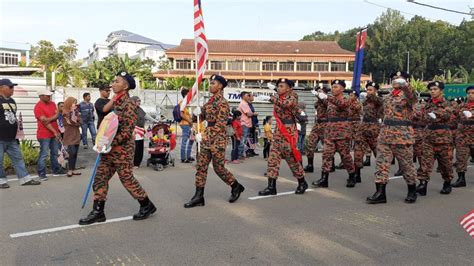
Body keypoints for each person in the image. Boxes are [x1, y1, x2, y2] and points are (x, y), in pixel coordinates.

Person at [79, 71, 156, 225]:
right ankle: (98, 212)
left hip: (122, 151)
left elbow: (127, 132)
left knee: (127, 180)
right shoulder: (117, 102)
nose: (113, 84)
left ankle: (146, 205)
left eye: (117, 81)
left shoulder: (129, 104)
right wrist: (104, 142)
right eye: (113, 81)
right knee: (100, 178)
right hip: (108, 150)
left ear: (126, 86)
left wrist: (108, 144)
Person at [184, 75, 245, 208]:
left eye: (213, 83)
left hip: (217, 140)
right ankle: (198, 196)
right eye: (210, 83)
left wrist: (204, 136)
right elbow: (197, 119)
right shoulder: (209, 102)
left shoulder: (222, 103)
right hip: (207, 138)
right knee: (201, 167)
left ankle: (236, 186)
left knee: (219, 168)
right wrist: (196, 113)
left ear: (220, 86)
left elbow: (220, 125)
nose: (210, 85)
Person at [366, 71, 417, 204]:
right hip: (385, 134)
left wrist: (406, 85)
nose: (396, 80)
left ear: (405, 81)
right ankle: (380, 193)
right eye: (394, 78)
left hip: (402, 135)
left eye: (399, 79)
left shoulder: (408, 95)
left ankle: (412, 190)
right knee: (381, 164)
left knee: (406, 165)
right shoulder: (388, 96)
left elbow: (412, 96)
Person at [258, 78, 308, 196]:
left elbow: (287, 104)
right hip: (279, 130)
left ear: (289, 88)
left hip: (288, 131)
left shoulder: (293, 96)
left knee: (291, 159)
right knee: (273, 159)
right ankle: (271, 187)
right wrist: (273, 97)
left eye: (282, 86)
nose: (279, 88)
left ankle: (302, 182)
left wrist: (271, 97)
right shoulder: (278, 97)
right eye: (278, 86)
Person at [312, 80, 356, 188]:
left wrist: (326, 97)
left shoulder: (346, 100)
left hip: (341, 132)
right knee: (327, 155)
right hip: (330, 131)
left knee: (345, 156)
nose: (333, 89)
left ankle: (352, 176)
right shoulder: (330, 101)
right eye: (332, 87)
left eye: (336, 87)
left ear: (342, 89)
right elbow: (323, 103)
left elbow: (342, 104)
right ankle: (324, 179)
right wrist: (318, 95)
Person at [0, 79, 41, 188]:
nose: (13, 89)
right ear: (1, 87)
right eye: (10, 87)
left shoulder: (12, 101)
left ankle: (25, 179)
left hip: (12, 138)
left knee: (18, 158)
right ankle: (1, 181)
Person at [416, 81, 454, 196]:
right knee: (425, 162)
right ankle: (423, 184)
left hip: (443, 139)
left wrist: (435, 114)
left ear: (441, 91)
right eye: (431, 89)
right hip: (429, 138)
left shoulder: (446, 103)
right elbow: (422, 118)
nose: (432, 91)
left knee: (445, 164)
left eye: (435, 89)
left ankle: (447, 182)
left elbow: (447, 115)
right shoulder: (427, 104)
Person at [353, 82, 383, 183]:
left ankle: (381, 175)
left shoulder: (378, 100)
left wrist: (371, 96)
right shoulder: (365, 101)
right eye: (367, 90)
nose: (368, 92)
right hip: (363, 127)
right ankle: (357, 174)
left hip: (374, 128)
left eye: (371, 90)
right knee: (358, 150)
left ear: (375, 91)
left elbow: (379, 101)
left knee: (378, 152)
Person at [34, 89, 66, 181]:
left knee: (54, 153)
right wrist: (54, 131)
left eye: (49, 95)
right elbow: (45, 122)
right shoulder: (38, 107)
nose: (49, 97)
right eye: (47, 95)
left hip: (54, 133)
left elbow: (57, 115)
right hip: (44, 134)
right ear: (41, 96)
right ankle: (41, 173)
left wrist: (50, 120)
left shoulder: (52, 104)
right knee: (44, 154)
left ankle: (56, 170)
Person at [452, 86, 474, 187]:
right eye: (468, 93)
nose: (470, 95)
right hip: (462, 137)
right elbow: (454, 118)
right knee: (461, 158)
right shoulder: (461, 106)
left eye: (473, 93)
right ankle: (461, 179)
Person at [304, 86, 329, 173]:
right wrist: (318, 95)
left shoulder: (328, 100)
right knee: (310, 144)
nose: (318, 93)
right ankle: (310, 165)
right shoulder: (318, 102)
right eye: (318, 91)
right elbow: (316, 105)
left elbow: (326, 103)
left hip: (325, 125)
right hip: (317, 124)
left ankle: (330, 165)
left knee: (328, 147)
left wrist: (319, 95)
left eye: (321, 91)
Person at [130, 96, 158, 168]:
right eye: (137, 101)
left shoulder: (140, 109)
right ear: (133, 102)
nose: (139, 102)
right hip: (134, 131)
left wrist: (155, 121)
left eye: (140, 101)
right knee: (135, 148)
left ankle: (137, 163)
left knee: (140, 147)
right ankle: (134, 163)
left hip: (141, 131)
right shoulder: (130, 110)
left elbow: (146, 116)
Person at [62, 97, 82, 177]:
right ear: (69, 103)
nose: (75, 104)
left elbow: (80, 121)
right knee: (72, 152)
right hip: (69, 134)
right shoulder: (65, 113)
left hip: (76, 133)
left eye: (76, 102)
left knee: (75, 152)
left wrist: (78, 119)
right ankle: (70, 170)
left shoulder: (76, 112)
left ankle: (73, 169)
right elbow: (71, 122)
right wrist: (77, 121)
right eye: (74, 102)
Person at [179, 88, 195, 163]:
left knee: (191, 140)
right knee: (185, 141)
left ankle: (188, 156)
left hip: (189, 124)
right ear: (186, 95)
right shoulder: (183, 103)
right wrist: (189, 121)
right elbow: (182, 114)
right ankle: (183, 158)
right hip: (185, 124)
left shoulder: (187, 103)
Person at [238, 91, 253, 159]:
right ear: (243, 96)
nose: (248, 97)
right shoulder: (243, 104)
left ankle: (241, 154)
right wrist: (253, 113)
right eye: (247, 95)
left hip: (246, 124)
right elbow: (248, 114)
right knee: (243, 140)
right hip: (244, 124)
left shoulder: (246, 103)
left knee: (244, 140)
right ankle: (239, 155)